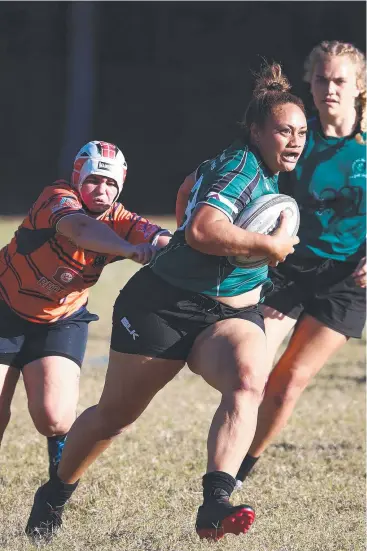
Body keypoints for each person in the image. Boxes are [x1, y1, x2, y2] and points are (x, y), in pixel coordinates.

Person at [26, 63, 307, 543]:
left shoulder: (256, 167)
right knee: (114, 417)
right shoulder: (241, 167)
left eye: (302, 131)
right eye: (284, 130)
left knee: (247, 382)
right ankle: (54, 493)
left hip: (229, 313)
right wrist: (269, 248)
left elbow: (186, 192)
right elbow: (201, 230)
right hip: (163, 305)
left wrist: (233, 255)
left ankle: (215, 501)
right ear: (256, 131)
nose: (296, 141)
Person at [0, 140, 171, 480]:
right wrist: (127, 249)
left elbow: (158, 237)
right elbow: (81, 230)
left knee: (54, 417)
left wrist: (168, 245)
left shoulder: (121, 219)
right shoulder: (57, 198)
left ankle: (57, 476)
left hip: (60, 320)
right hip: (5, 306)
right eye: (94, 180)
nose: (101, 190)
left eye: (111, 184)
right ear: (78, 178)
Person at [236, 41, 366, 485]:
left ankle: (239, 470)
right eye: (321, 79)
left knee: (288, 381)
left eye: (340, 80)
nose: (329, 88)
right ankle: (223, 458)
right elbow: (254, 187)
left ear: (358, 85)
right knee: (249, 370)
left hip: (345, 281)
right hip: (286, 269)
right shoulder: (294, 134)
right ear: (309, 83)